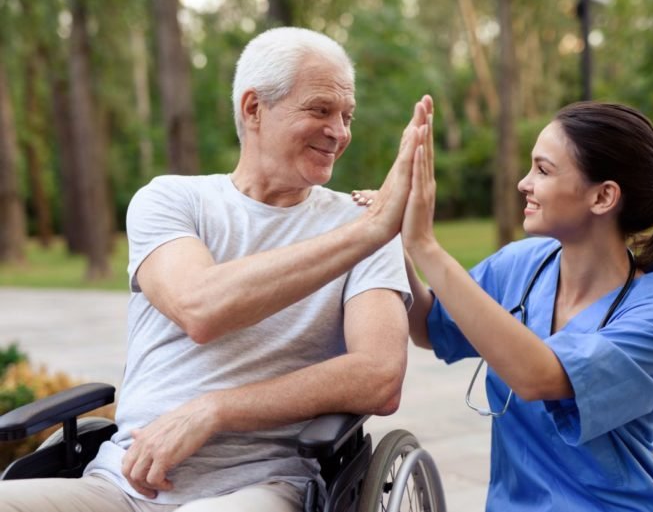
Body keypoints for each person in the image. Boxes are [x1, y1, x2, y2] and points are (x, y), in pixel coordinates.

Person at [0, 27, 432, 512]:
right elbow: (200, 307)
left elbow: (379, 376)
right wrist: (369, 232)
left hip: (261, 487)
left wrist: (216, 409)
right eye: (320, 109)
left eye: (346, 116)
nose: (340, 131)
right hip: (117, 485)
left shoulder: (361, 222)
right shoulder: (171, 200)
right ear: (253, 109)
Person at [355, 100, 653, 510]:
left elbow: (538, 376)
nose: (523, 183)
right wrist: (390, 237)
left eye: (543, 170)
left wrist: (425, 245)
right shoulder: (523, 263)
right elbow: (428, 325)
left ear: (603, 197)